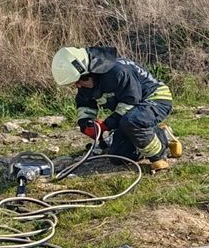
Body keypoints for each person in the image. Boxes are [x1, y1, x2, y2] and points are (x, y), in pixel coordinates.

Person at [50, 46, 181, 171]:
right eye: (75, 83)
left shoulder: (118, 72)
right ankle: (157, 133)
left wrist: (106, 125)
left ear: (92, 72)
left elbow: (130, 102)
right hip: (132, 112)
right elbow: (85, 104)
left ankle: (158, 156)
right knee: (118, 156)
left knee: (132, 121)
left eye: (80, 80)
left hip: (156, 98)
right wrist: (86, 124)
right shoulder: (86, 82)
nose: (78, 85)